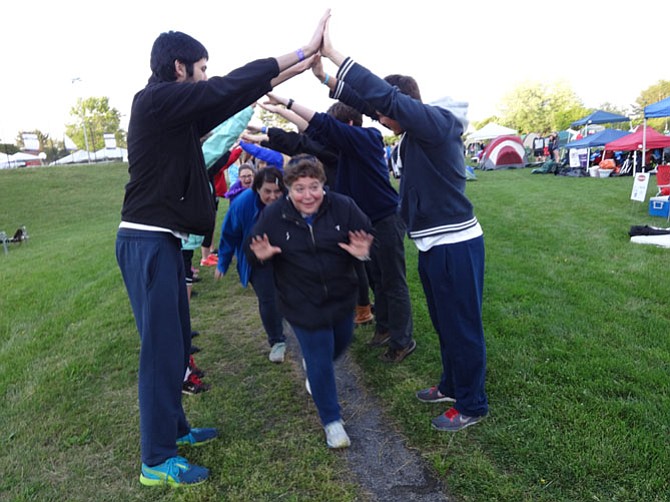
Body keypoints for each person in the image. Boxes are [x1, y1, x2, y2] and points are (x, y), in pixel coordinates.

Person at [115, 11, 331, 487]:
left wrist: (304, 63)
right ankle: (156, 458)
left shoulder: (173, 115)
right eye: (202, 68)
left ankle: (176, 432)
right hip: (146, 240)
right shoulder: (154, 101)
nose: (206, 77)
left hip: (163, 241)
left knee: (175, 347)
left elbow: (237, 92)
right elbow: (228, 86)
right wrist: (297, 50)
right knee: (159, 352)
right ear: (180, 68)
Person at [319, 18, 488, 431]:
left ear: (403, 107)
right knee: (445, 322)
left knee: (462, 326)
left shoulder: (437, 125)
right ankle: (452, 384)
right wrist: (325, 77)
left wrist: (336, 55)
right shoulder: (416, 136)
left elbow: (383, 98)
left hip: (455, 245)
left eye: (384, 113)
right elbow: (367, 103)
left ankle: (472, 404)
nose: (379, 119)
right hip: (433, 245)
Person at [262, 85, 415, 363]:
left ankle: (403, 340)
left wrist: (288, 100)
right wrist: (282, 112)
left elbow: (322, 126)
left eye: (336, 128)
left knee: (393, 281)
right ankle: (384, 327)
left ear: (348, 125)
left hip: (385, 219)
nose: (330, 135)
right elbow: (310, 135)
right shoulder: (341, 152)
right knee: (375, 279)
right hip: (364, 225)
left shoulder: (368, 138)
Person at [247, 155, 373, 448]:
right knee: (319, 358)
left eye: (313, 186)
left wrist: (364, 249)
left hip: (342, 297)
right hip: (300, 301)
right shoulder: (274, 215)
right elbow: (252, 248)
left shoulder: (343, 207)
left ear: (323, 185)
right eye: (299, 188)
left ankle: (316, 371)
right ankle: (333, 423)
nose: (308, 195)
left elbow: (368, 233)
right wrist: (260, 256)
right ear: (288, 189)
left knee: (338, 344)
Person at [215, 167, 287, 363]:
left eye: (277, 191)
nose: (273, 196)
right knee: (268, 297)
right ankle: (277, 341)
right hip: (254, 256)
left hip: (284, 252)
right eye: (267, 191)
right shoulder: (242, 203)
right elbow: (230, 233)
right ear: (257, 189)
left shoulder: (289, 201)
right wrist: (223, 261)